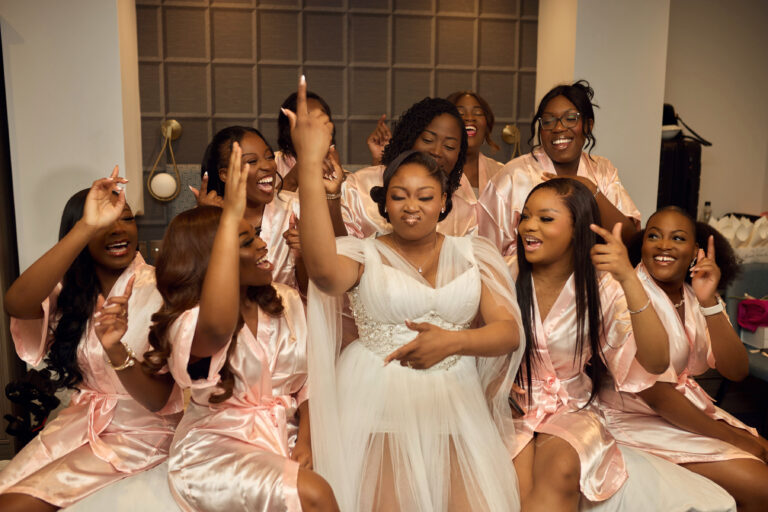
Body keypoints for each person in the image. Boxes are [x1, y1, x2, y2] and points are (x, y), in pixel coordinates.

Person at [287, 76, 524, 511]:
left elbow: (508, 332)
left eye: (425, 196)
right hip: (376, 397)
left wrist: (453, 342)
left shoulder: (474, 254)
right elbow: (321, 272)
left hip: (454, 397)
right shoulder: (364, 255)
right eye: (399, 196)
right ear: (385, 204)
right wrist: (309, 161)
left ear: (443, 202)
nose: (411, 206)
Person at [147, 143, 338, 511]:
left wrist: (307, 442)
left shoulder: (286, 300)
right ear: (213, 258)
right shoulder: (190, 321)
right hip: (216, 447)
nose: (264, 245)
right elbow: (218, 331)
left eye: (257, 235)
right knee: (314, 494)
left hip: (289, 436)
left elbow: (310, 383)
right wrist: (231, 213)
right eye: (247, 241)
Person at [0, 169, 181, 511]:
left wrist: (116, 350)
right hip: (79, 424)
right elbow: (17, 302)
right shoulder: (71, 293)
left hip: (141, 435)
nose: (118, 229)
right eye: (104, 222)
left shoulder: (163, 289)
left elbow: (160, 399)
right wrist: (87, 225)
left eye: (126, 218)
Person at [511, 178, 670, 511]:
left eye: (545, 218)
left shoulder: (602, 284)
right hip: (507, 406)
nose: (529, 226)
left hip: (571, 407)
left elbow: (656, 361)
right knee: (509, 479)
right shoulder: (505, 272)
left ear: (577, 229)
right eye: (525, 217)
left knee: (561, 467)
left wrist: (628, 277)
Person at [600, 206, 768, 512]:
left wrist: (709, 302)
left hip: (679, 411)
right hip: (631, 417)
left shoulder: (692, 294)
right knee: (761, 484)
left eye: (677, 238)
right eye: (654, 236)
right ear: (643, 245)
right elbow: (656, 395)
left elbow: (736, 370)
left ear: (695, 251)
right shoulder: (622, 291)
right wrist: (735, 438)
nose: (664, 245)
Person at [479, 80, 640, 262]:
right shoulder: (513, 176)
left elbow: (630, 240)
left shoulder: (602, 170)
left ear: (588, 125)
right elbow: (486, 253)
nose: (559, 128)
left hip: (595, 278)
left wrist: (590, 189)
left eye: (570, 118)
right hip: (522, 278)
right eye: (548, 121)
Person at [342, 97, 483, 238]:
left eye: (449, 146)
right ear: (409, 138)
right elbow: (340, 244)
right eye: (428, 140)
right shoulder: (358, 187)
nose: (437, 152)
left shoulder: (465, 208)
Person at [276, 90, 344, 194]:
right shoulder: (272, 165)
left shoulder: (338, 169)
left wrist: (341, 180)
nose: (316, 125)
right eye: (307, 118)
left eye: (321, 117)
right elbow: (264, 204)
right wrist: (293, 178)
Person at [445, 90, 505, 197]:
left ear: (487, 126)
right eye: (460, 113)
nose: (469, 118)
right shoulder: (434, 172)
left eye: (477, 113)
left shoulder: (502, 173)